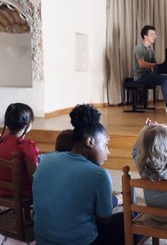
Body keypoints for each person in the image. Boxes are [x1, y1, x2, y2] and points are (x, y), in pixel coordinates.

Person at [33, 104, 140, 245]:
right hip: (83, 242)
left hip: (42, 240)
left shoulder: (46, 159)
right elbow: (104, 220)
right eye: (106, 145)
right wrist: (111, 201)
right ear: (90, 141)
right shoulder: (99, 174)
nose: (108, 152)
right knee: (135, 219)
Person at [54, 129, 123, 207]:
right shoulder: (93, 175)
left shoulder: (51, 165)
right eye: (105, 145)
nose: (108, 152)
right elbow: (101, 207)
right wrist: (119, 199)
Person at [133, 25, 167, 113]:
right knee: (164, 80)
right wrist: (154, 65)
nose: (154, 36)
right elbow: (141, 64)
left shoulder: (151, 50)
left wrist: (166, 68)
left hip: (149, 75)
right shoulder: (139, 48)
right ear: (145, 36)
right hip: (140, 77)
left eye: (155, 34)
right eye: (152, 34)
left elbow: (156, 65)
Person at [0, 103, 38, 197]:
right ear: (28, 124)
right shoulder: (26, 146)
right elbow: (33, 176)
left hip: (1, 189)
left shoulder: (1, 141)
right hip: (22, 192)